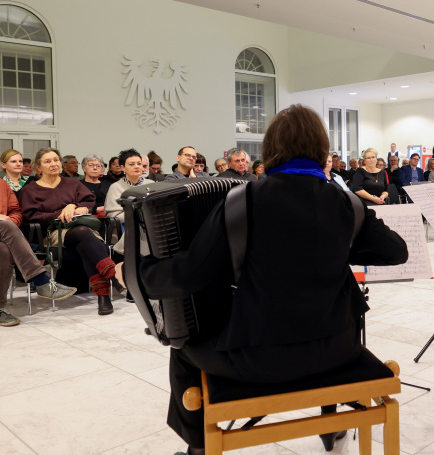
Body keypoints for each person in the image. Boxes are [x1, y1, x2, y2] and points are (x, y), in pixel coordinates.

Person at [125, 104, 407, 455]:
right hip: (338, 351)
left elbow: (187, 275)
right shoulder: (347, 203)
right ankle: (333, 430)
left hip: (258, 361)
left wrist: (140, 274)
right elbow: (396, 252)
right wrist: (340, 245)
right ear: (322, 151)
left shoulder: (243, 201)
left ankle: (199, 447)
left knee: (182, 346)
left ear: (269, 150)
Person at [20, 148, 117, 315]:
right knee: (83, 234)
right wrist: (61, 214)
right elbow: (31, 216)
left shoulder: (72, 183)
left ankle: (104, 296)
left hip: (79, 230)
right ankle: (112, 276)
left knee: (83, 241)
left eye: (56, 160)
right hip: (52, 233)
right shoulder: (30, 189)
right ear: (38, 168)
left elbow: (88, 201)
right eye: (47, 161)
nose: (53, 164)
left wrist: (74, 206)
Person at [1, 179, 77, 327]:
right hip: (4, 229)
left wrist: (10, 220)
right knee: (7, 228)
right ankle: (40, 280)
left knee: (3, 251)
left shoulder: (1, 184)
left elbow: (15, 211)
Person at [104, 148, 155, 256]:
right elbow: (113, 215)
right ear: (123, 167)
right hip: (126, 226)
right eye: (131, 164)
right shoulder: (116, 187)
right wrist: (138, 215)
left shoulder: (151, 184)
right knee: (142, 225)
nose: (137, 166)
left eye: (139, 164)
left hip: (151, 222)